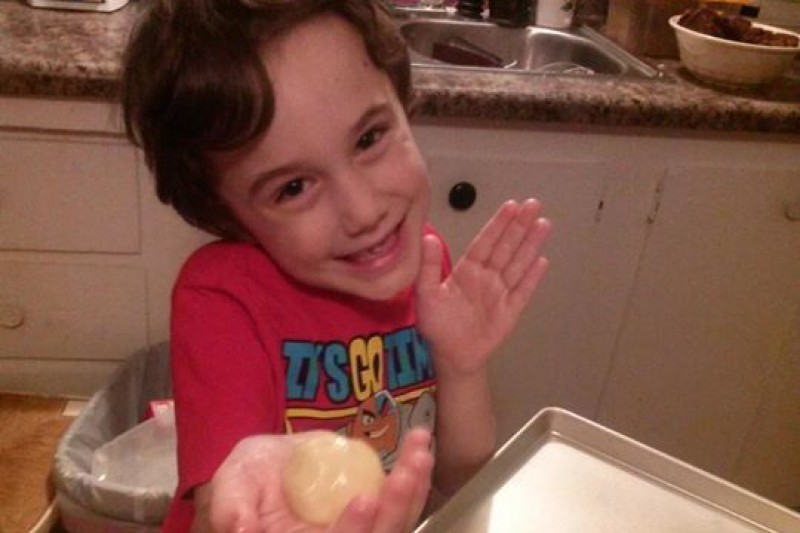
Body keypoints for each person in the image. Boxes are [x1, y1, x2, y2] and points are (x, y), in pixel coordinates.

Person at [121, 1, 551, 531]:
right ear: (227, 216)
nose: (364, 212)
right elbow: (223, 507)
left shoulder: (423, 259)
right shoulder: (222, 299)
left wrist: (461, 366)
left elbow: (459, 481)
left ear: (403, 104)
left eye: (369, 138)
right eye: (293, 188)